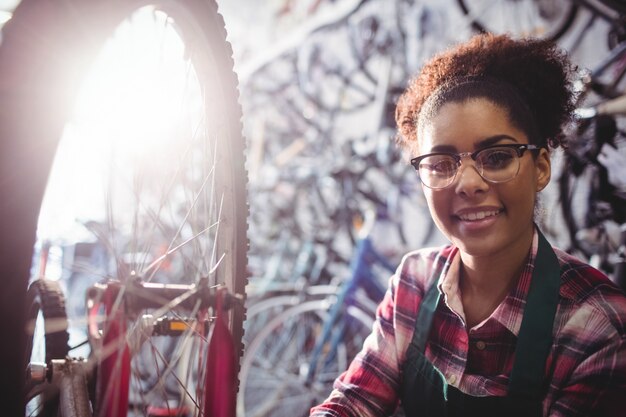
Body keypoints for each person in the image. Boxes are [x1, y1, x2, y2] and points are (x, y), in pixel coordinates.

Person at [309, 33, 626, 417]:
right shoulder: (415, 278)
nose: (468, 183)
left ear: (541, 167)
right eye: (441, 164)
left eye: (496, 157)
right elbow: (355, 400)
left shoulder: (596, 325)